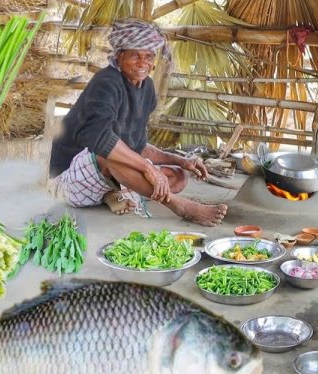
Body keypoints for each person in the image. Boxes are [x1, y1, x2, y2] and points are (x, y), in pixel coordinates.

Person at [48, 19, 227, 226]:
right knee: (109, 154)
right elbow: (99, 139)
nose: (143, 63)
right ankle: (181, 206)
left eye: (149, 56)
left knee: (178, 177)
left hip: (105, 178)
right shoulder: (106, 82)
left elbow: (137, 147)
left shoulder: (147, 88)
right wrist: (148, 169)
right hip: (70, 181)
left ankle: (112, 195)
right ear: (119, 55)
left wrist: (180, 161)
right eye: (135, 55)